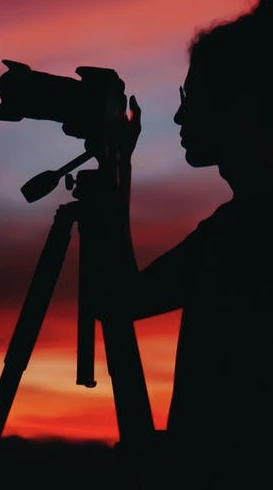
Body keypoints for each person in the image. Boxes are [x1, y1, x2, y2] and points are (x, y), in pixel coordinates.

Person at [91, 0, 273, 487]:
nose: (177, 115)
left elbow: (118, 299)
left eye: (192, 96)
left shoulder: (240, 236)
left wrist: (114, 164)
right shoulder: (236, 228)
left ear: (240, 103)